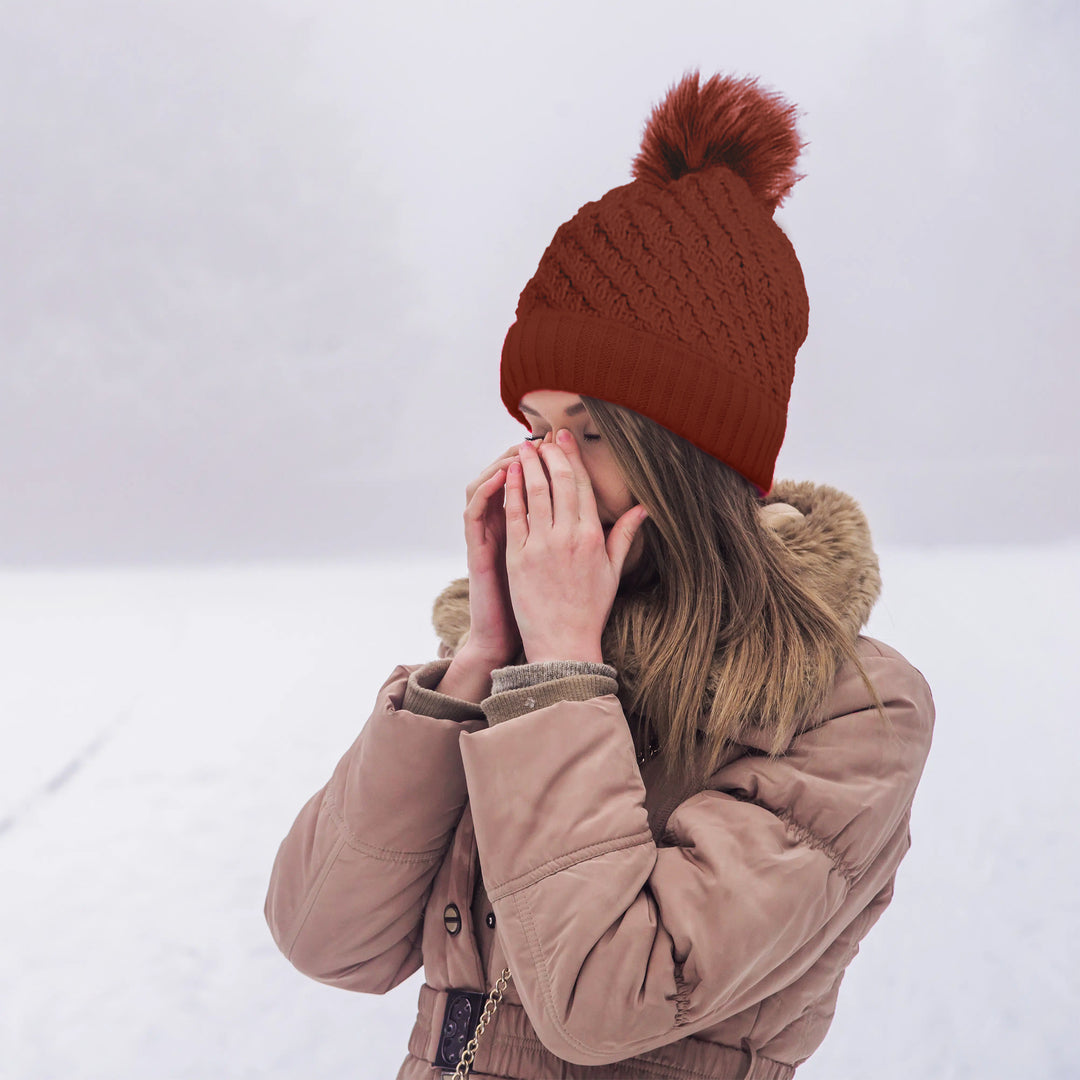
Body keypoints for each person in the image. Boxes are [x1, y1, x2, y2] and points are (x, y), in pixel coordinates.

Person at [264, 70, 935, 1080]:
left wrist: (563, 673)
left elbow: (603, 1001)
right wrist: (482, 662)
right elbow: (328, 940)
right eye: (536, 427)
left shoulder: (851, 710)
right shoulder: (512, 670)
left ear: (693, 453)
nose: (550, 466)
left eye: (591, 427)